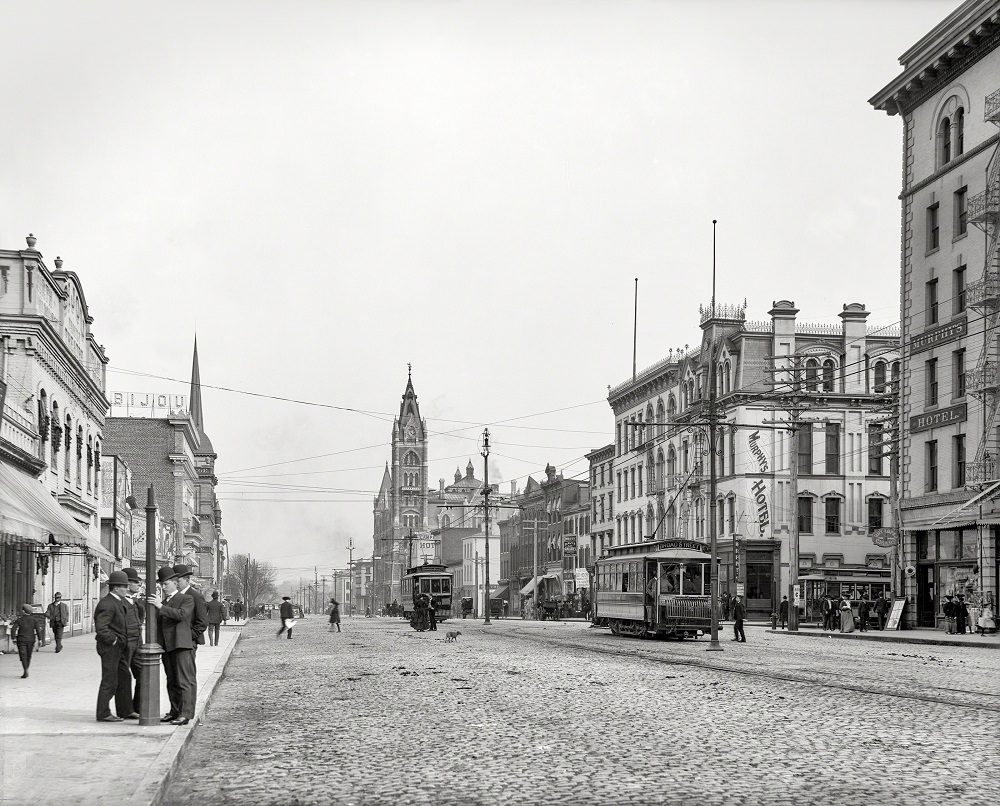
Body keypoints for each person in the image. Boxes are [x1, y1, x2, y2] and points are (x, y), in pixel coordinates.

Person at [148, 565, 196, 725]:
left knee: (184, 681)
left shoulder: (186, 599)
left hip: (181, 645)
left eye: (166, 584)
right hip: (167, 647)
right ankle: (174, 711)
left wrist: (161, 607)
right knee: (172, 681)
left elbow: (181, 615)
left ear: (175, 583)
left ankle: (185, 714)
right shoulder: (162, 602)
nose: (163, 587)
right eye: (162, 584)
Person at [94, 570, 134, 722]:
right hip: (110, 647)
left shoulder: (117, 601)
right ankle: (103, 713)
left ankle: (126, 710)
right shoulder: (107, 603)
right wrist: (113, 640)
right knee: (109, 680)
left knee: (124, 677)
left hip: (119, 648)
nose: (127, 589)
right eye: (124, 586)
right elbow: (101, 627)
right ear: (116, 588)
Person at [122, 567, 145, 717]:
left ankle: (138, 707)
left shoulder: (137, 602)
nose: (139, 585)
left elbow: (141, 618)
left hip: (137, 643)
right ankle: (126, 709)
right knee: (123, 678)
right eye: (136, 582)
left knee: (143, 674)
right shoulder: (119, 601)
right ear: (128, 583)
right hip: (124, 644)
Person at [173, 564, 208, 652]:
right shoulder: (175, 596)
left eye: (178, 581)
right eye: (173, 581)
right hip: (174, 642)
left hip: (189, 642)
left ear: (187, 580)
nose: (176, 584)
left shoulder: (196, 596)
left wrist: (189, 636)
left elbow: (202, 622)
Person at [10, 604, 42, 678]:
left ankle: (25, 669)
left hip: (21, 640)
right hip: (31, 640)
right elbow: (38, 630)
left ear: (23, 611)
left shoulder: (19, 620)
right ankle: (26, 668)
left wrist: (13, 638)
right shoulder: (34, 620)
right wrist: (40, 639)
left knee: (23, 655)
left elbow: (13, 629)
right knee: (28, 655)